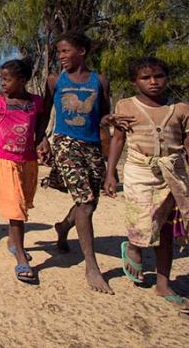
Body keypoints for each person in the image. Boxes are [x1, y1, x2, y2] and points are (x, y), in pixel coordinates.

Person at [104, 57, 189, 315]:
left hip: (172, 175)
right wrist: (111, 173)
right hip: (140, 172)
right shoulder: (126, 106)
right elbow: (117, 140)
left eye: (159, 76)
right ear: (134, 81)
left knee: (166, 229)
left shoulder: (181, 109)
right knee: (141, 221)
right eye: (145, 78)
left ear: (167, 78)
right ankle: (133, 247)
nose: (153, 82)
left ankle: (164, 284)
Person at [36, 31, 131, 294]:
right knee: (86, 202)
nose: (61, 57)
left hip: (92, 147)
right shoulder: (55, 81)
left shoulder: (99, 80)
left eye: (65, 51)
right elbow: (44, 113)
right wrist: (41, 138)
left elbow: (102, 120)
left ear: (82, 51)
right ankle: (92, 267)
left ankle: (63, 227)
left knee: (88, 203)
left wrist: (110, 165)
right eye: (59, 52)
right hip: (66, 143)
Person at [0, 60, 48, 283]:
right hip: (5, 161)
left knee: (23, 203)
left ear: (22, 81)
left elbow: (40, 128)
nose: (2, 83)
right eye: (1, 78)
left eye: (7, 79)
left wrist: (43, 142)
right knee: (16, 209)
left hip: (29, 162)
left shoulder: (36, 102)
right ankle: (22, 259)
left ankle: (13, 242)